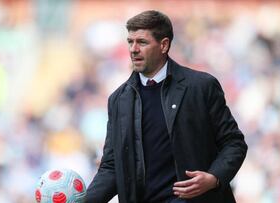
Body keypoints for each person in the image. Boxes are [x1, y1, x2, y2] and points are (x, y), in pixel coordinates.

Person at [85, 10, 247, 203]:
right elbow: (111, 167)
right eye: (130, 42)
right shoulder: (119, 100)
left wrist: (214, 178)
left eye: (142, 42)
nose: (133, 49)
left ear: (164, 45)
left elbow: (234, 143)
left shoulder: (201, 87)